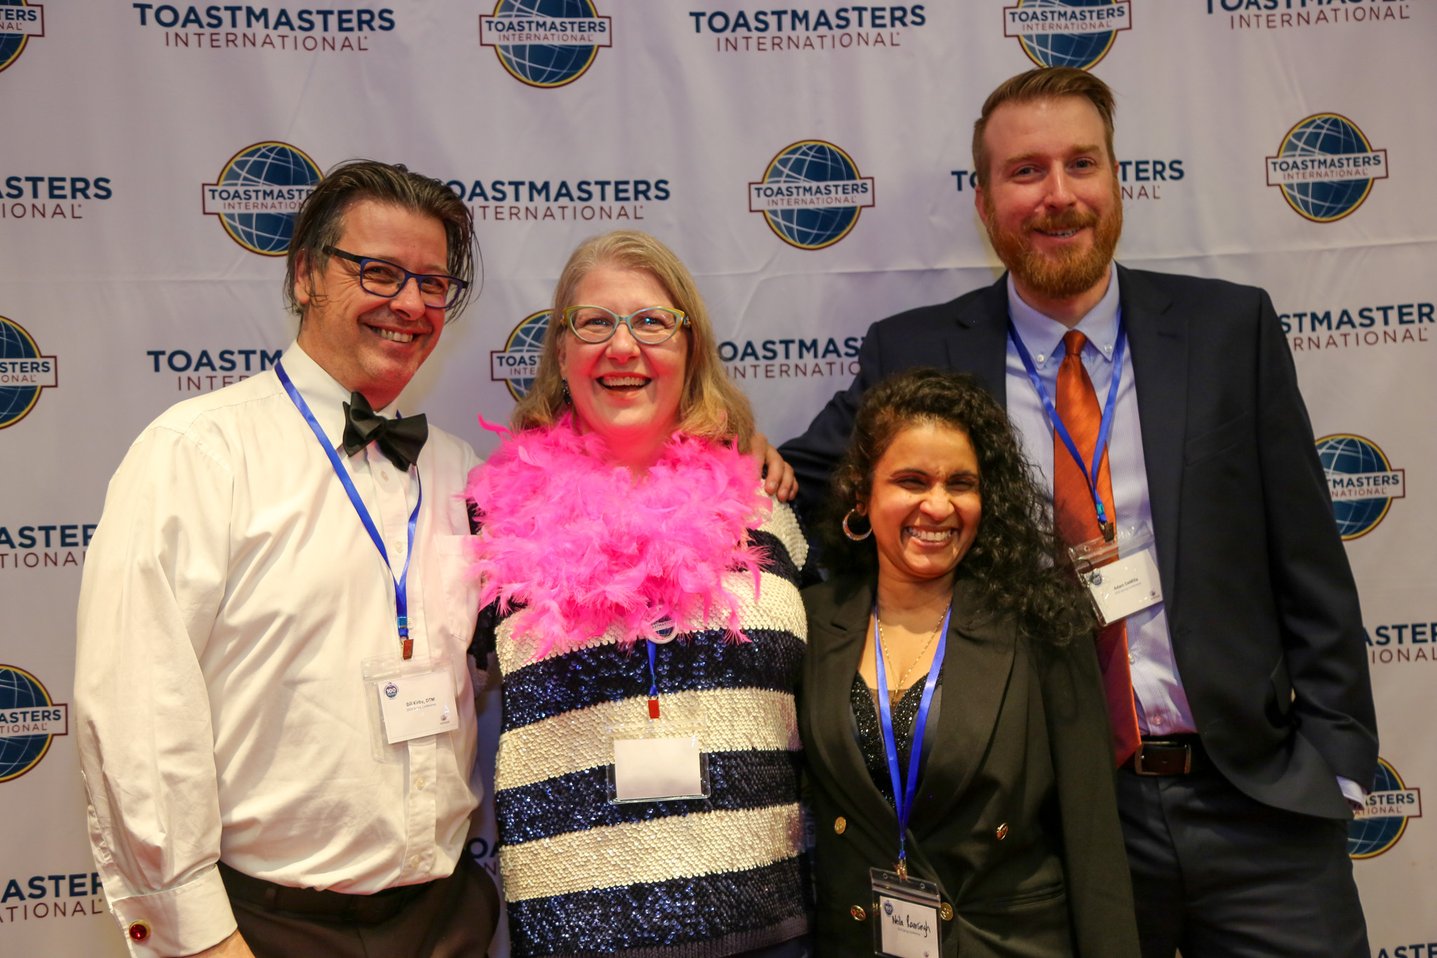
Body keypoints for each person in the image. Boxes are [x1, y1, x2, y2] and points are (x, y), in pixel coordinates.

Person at [779, 68, 1377, 957]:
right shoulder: (913, 351)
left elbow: (1305, 555)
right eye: (1024, 172)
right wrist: (720, 439)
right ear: (983, 203)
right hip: (1055, 816)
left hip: (1255, 801)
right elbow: (797, 485)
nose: (1057, 197)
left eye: (1079, 165)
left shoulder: (1227, 331)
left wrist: (1334, 759)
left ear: (1115, 181)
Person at [74, 160, 498, 958]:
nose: (409, 303)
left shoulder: (460, 471)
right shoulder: (196, 453)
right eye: (378, 272)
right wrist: (196, 936)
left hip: (447, 919)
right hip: (264, 928)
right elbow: (135, 707)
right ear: (305, 275)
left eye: (432, 283)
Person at [464, 229, 811, 958]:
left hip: (767, 926)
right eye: (594, 323)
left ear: (690, 348)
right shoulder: (489, 520)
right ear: (561, 353)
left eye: (651, 322)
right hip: (574, 935)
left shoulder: (767, 507)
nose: (622, 348)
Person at [800, 367, 1138, 957]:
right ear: (863, 492)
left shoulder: (1042, 625)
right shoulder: (810, 620)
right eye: (911, 480)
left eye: (961, 483)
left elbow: (1092, 843)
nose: (938, 505)